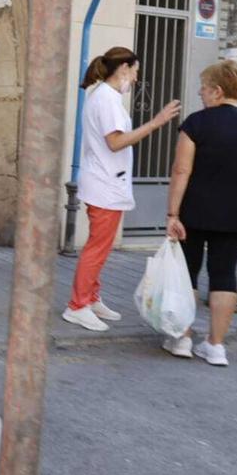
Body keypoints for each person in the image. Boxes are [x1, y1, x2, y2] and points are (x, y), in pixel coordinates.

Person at [164, 60, 237, 366]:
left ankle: (182, 338)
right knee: (224, 275)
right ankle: (215, 346)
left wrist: (172, 213)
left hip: (194, 212)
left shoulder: (196, 123)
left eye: (203, 87)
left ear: (216, 91)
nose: (200, 93)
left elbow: (181, 169)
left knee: (187, 271)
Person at [63, 46, 181, 332]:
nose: (137, 78)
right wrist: (156, 122)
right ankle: (77, 306)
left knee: (100, 248)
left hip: (106, 182)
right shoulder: (106, 99)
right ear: (124, 69)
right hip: (104, 184)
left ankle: (90, 298)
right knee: (97, 248)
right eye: (136, 71)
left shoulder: (106, 97)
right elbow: (115, 142)